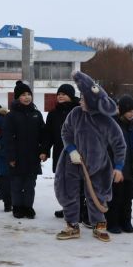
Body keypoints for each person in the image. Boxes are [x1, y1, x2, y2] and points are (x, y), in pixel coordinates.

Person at [54, 71, 126, 242]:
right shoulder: (76, 113)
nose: (80, 101)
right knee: (68, 193)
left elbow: (119, 144)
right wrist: (71, 150)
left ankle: (99, 225)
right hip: (72, 162)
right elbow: (66, 132)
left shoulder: (107, 122)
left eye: (83, 98)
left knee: (97, 195)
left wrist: (118, 167)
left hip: (98, 165)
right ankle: (72, 225)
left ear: (92, 101)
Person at [5, 81, 47, 219]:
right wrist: (11, 157)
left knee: (30, 185)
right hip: (16, 157)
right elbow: (8, 138)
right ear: (17, 97)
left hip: (32, 157)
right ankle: (17, 207)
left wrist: (44, 151)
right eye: (23, 94)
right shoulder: (11, 116)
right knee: (16, 184)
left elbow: (43, 135)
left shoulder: (36, 114)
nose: (27, 97)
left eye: (29, 94)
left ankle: (28, 207)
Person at [106, 95, 133, 234]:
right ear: (122, 110)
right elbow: (108, 148)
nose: (132, 114)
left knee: (128, 197)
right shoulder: (113, 125)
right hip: (117, 168)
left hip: (131, 167)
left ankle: (126, 221)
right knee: (116, 197)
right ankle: (112, 223)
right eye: (129, 111)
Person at [43, 83, 83, 219]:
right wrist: (44, 151)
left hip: (78, 153)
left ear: (71, 96)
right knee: (64, 183)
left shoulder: (79, 111)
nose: (60, 97)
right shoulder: (53, 114)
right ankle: (68, 208)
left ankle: (81, 209)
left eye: (64, 94)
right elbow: (48, 135)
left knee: (79, 182)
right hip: (60, 153)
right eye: (59, 94)